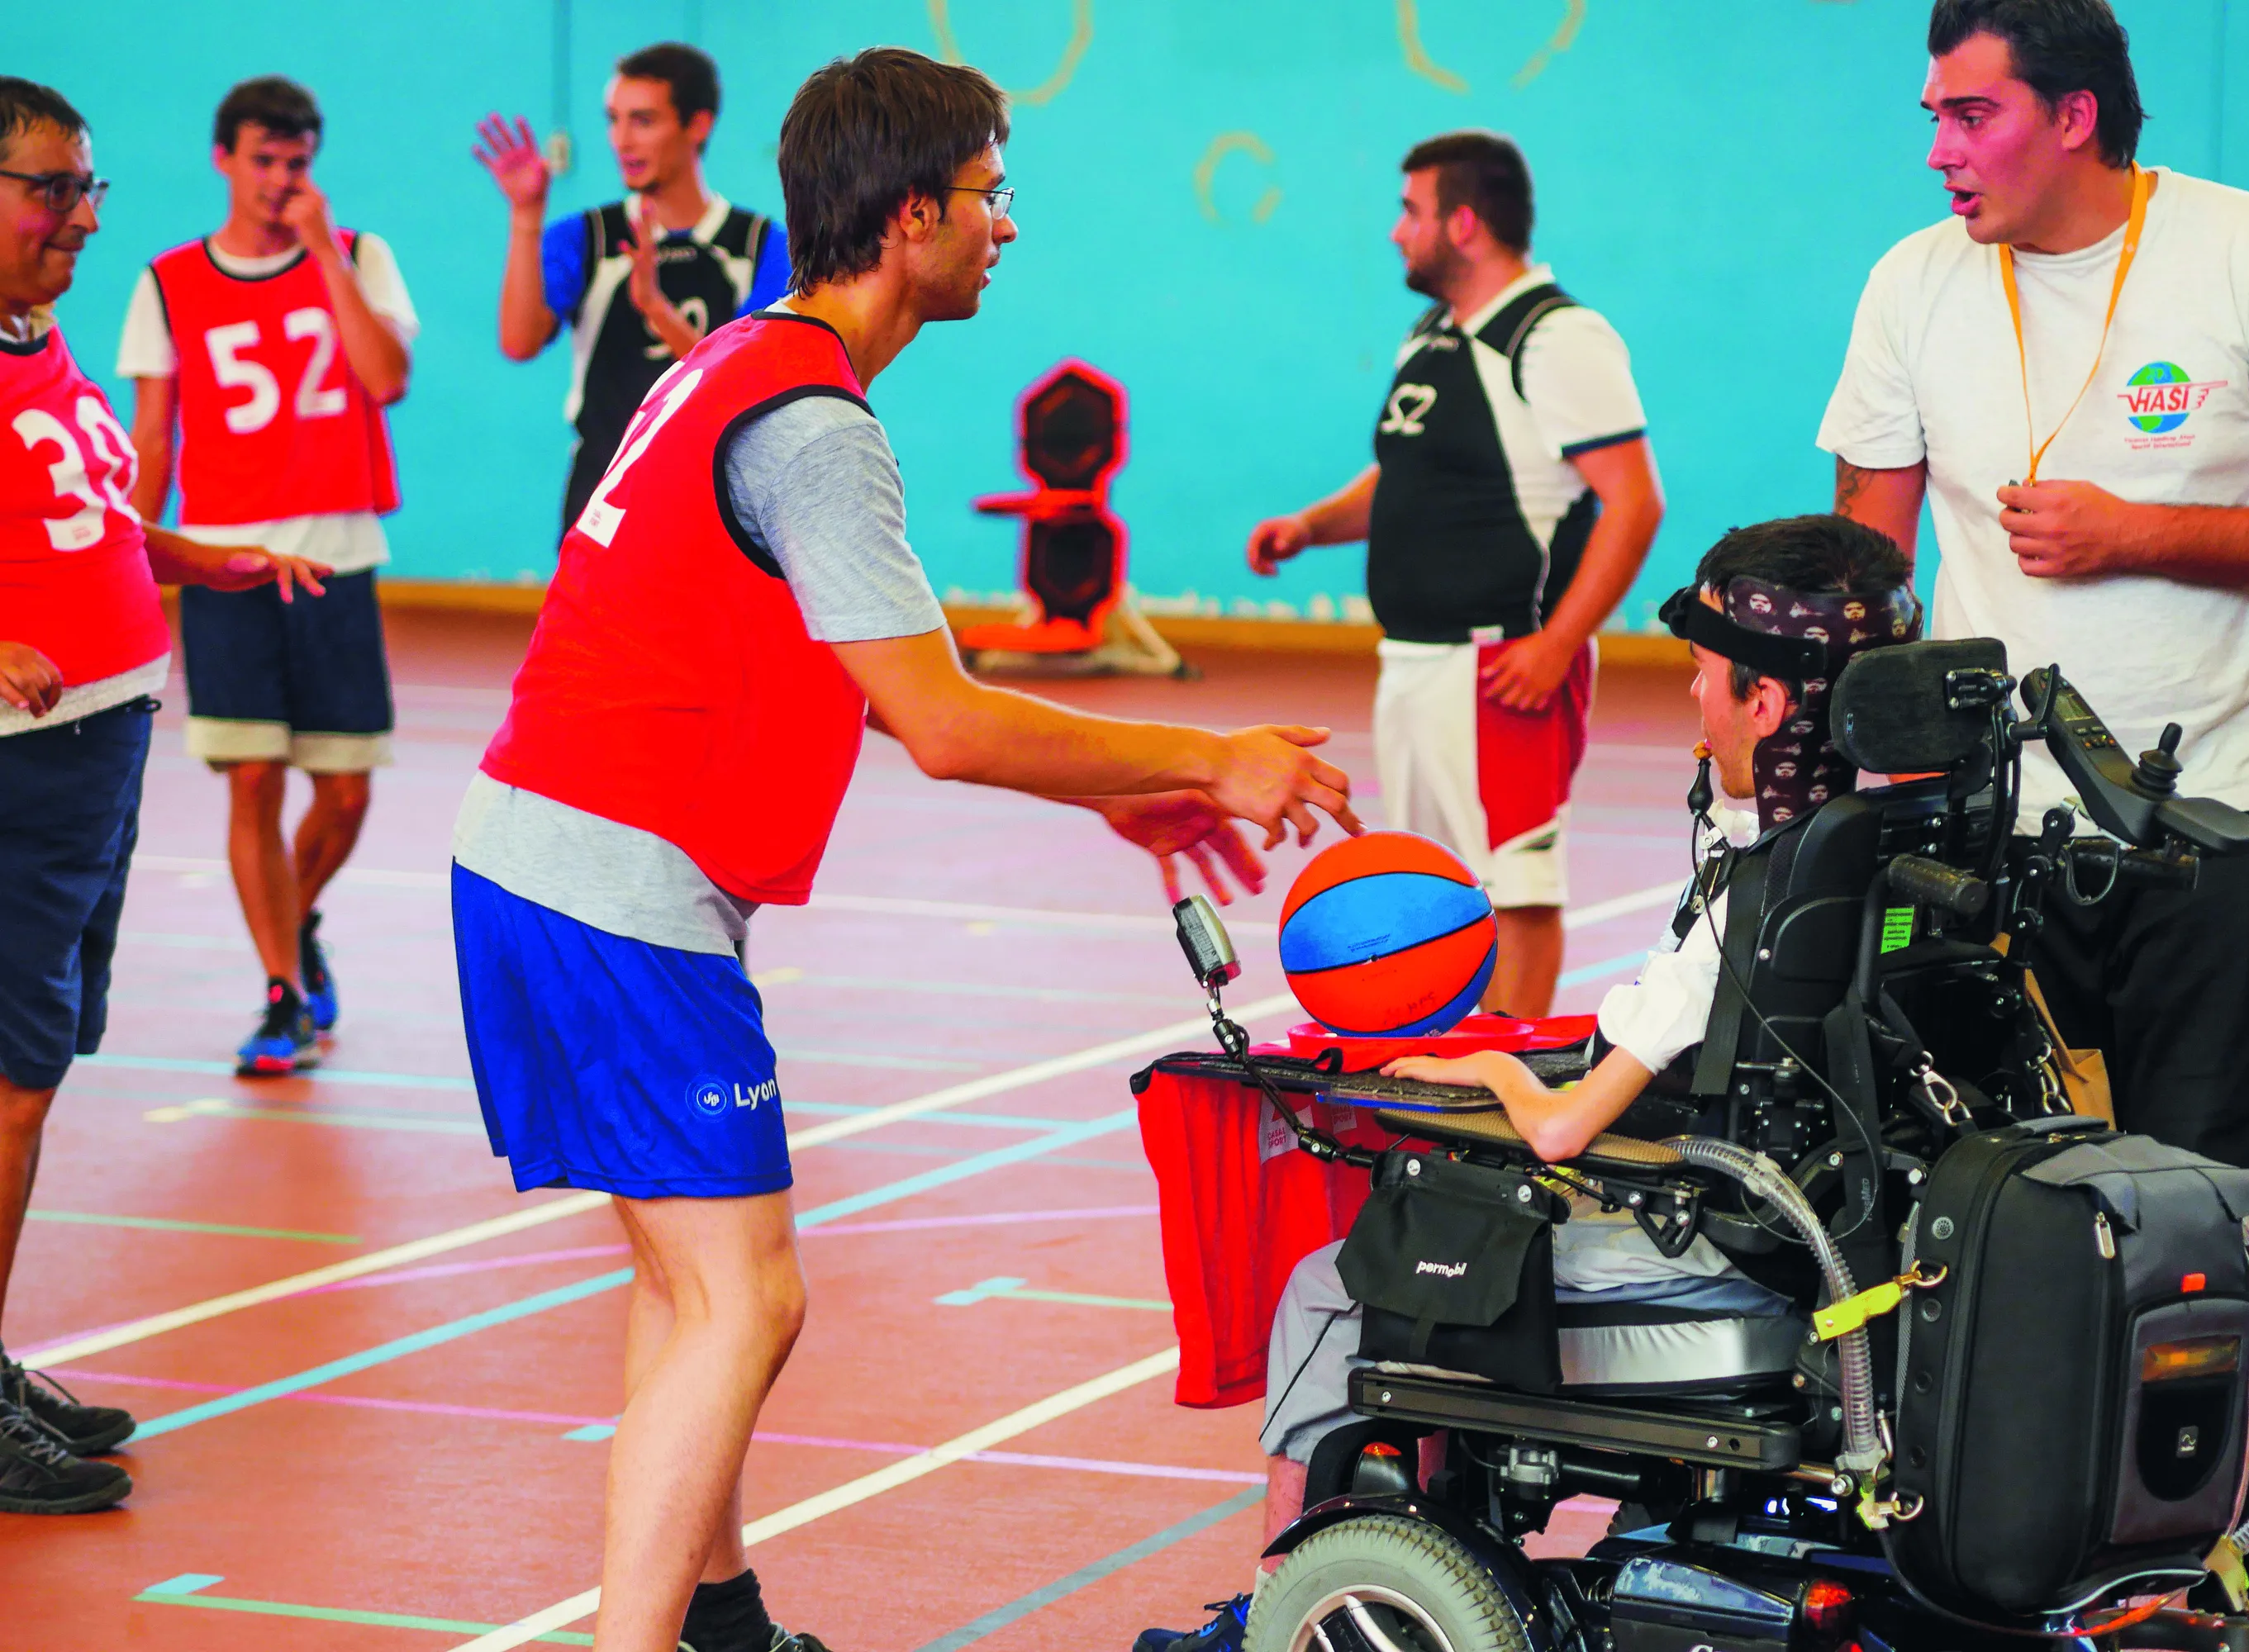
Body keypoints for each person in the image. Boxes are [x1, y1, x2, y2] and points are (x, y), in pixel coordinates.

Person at [449, 47, 1357, 1652]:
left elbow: (839, 670)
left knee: (684, 1285)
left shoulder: (748, 361)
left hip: (531, 856)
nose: (1009, 229)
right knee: (749, 1297)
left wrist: (1111, 787)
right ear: (912, 213)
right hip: (613, 882)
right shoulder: (812, 422)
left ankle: (716, 1617)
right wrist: (1211, 755)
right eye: (994, 197)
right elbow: (943, 720)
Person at [1816, 3, 2249, 1645]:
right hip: (1996, 837)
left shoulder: (2246, 256)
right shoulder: (1911, 285)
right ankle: (2021, 1564)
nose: (1938, 145)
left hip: (2220, 832)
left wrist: (2140, 532)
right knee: (1988, 1213)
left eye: (1970, 112)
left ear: (2073, 114)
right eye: (1931, 112)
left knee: (2234, 1208)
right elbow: (1871, 574)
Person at [1134, 515, 1915, 1652]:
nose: (1692, 702)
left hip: (1722, 1259)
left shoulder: (1756, 896)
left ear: (1766, 704)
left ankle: (1279, 1610)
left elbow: (1560, 1132)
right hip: (1840, 1246)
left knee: (1334, 1282)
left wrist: (1491, 1065)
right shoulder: (1897, 846)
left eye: (1701, 677)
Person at [0, 75, 328, 1513]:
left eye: (88, 189)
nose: (78, 214)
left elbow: (96, 525)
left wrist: (206, 560)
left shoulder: (37, 339)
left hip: (102, 755)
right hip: (26, 769)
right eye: (48, 189)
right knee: (9, 1091)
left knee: (39, 1069)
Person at [1246, 131, 1663, 1018]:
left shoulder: (1556, 339)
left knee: (1514, 889)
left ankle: (1502, 1094)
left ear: (1464, 223)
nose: (1397, 231)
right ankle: (1448, 1081)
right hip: (1413, 663)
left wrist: (1557, 644)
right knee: (1436, 889)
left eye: (1411, 211)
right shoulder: (1433, 334)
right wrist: (1311, 527)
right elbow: (1407, 478)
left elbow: (1634, 503)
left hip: (1499, 665)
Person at [120, 74, 416, 1075]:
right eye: (264, 160)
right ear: (224, 159)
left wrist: (325, 249)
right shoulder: (168, 281)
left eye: (297, 162)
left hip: (336, 554)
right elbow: (153, 436)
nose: (282, 179)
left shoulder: (361, 256)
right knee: (251, 774)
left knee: (343, 791)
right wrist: (131, 561)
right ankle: (282, 991)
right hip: (228, 564)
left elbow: (384, 379)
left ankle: (296, 917)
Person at [475, 42, 794, 534]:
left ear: (698, 125)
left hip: (719, 497)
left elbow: (743, 388)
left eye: (643, 120)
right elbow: (518, 343)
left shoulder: (761, 247)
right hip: (603, 493)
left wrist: (657, 310)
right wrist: (525, 216)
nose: (621, 139)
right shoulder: (585, 237)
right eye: (613, 119)